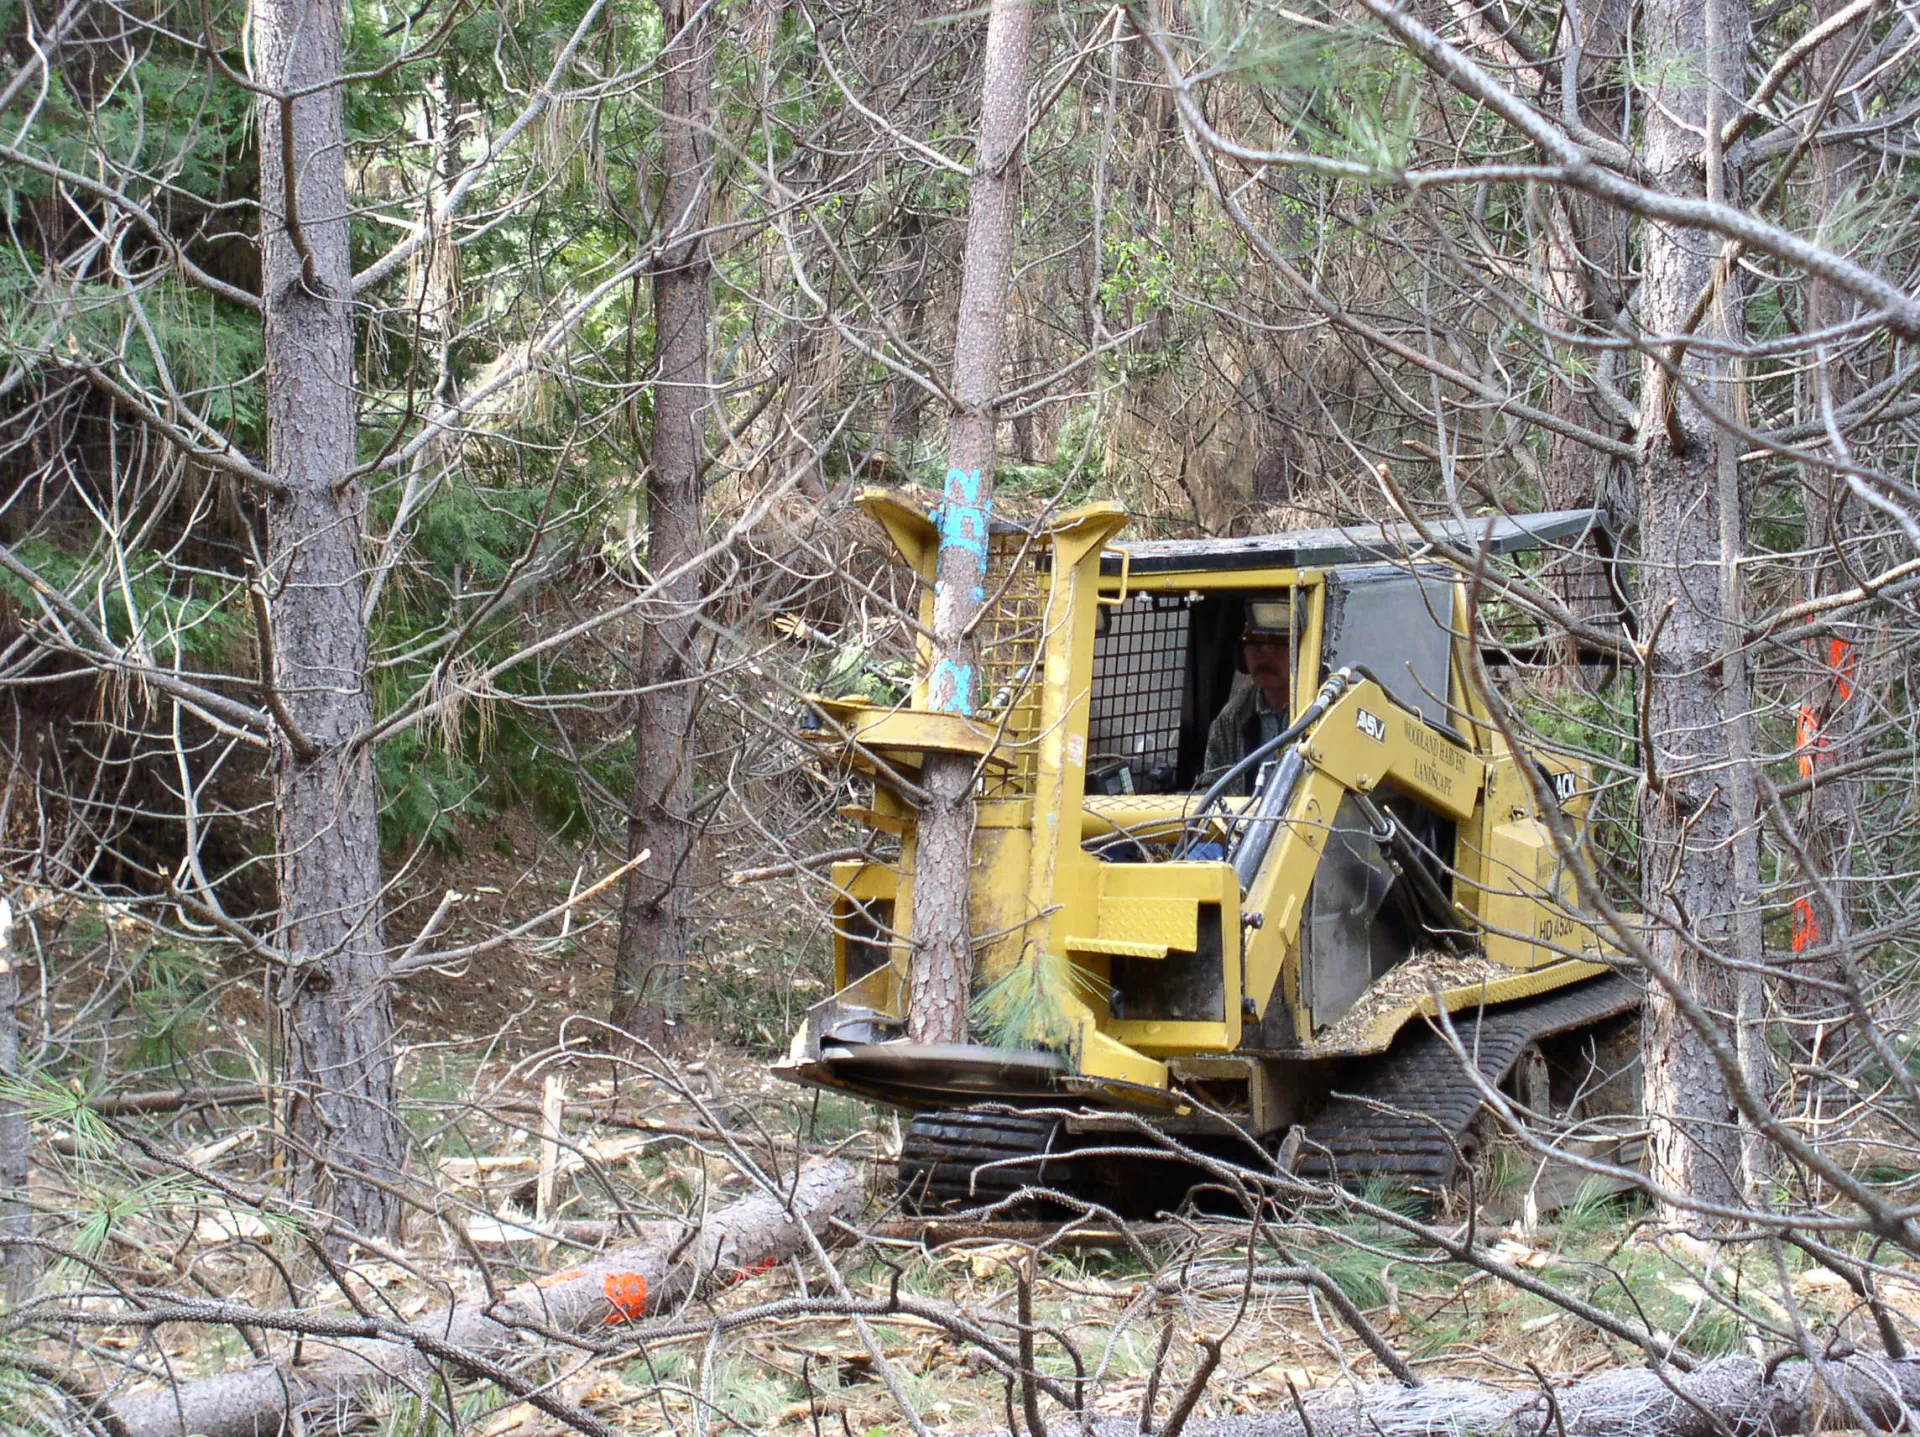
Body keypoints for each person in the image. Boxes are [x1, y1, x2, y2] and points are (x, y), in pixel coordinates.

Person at [1203, 625, 1292, 786]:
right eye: (1255, 644)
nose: (1265, 657)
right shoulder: (1231, 720)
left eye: (1277, 644)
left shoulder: (1326, 713)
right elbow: (1212, 790)